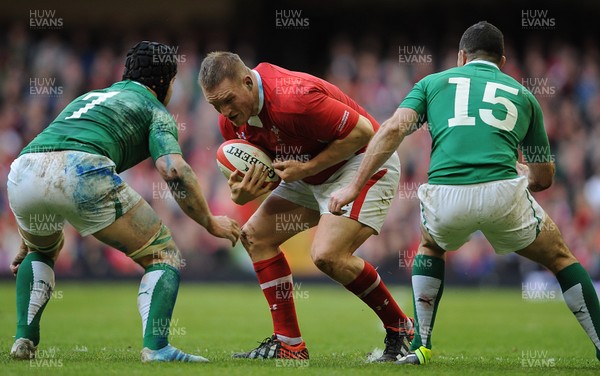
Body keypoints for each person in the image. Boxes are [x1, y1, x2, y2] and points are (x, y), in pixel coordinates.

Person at [329, 21, 600, 365]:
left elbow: (395, 128)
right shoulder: (524, 95)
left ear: (461, 56)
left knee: (430, 245)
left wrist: (354, 186)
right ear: (502, 61)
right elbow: (545, 178)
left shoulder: (431, 83)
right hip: (502, 193)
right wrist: (521, 175)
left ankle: (421, 346)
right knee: (561, 258)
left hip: (445, 195)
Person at [7, 41, 241, 363]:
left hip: (23, 170)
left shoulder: (89, 97)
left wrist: (29, 230)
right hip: (80, 170)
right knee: (164, 254)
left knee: (41, 250)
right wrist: (210, 222)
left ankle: (24, 339)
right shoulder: (155, 111)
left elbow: (51, 156)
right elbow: (173, 169)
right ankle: (157, 348)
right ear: (166, 83)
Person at [199, 51, 413, 361]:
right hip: (310, 173)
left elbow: (365, 131)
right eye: (215, 105)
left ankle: (400, 328)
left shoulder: (293, 99)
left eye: (228, 100)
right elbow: (268, 174)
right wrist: (242, 194)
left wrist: (307, 169)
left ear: (248, 82)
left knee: (327, 255)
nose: (224, 111)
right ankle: (290, 345)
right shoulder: (232, 123)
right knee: (254, 236)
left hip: (362, 161)